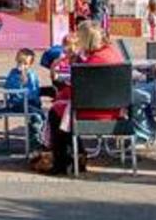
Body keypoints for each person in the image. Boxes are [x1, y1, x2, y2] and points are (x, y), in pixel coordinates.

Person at [46, 21, 124, 175]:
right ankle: (78, 157)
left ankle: (62, 163)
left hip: (93, 110)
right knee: (63, 111)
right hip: (114, 110)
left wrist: (61, 94)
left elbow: (79, 89)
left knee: (56, 113)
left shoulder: (92, 62)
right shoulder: (113, 53)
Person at [5, 48, 44, 146]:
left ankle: (36, 137)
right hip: (17, 103)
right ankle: (35, 139)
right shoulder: (13, 73)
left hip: (31, 103)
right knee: (37, 115)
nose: (22, 66)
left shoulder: (32, 74)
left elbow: (35, 90)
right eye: (19, 62)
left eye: (25, 64)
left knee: (39, 115)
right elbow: (8, 86)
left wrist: (35, 98)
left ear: (30, 65)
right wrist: (19, 82)